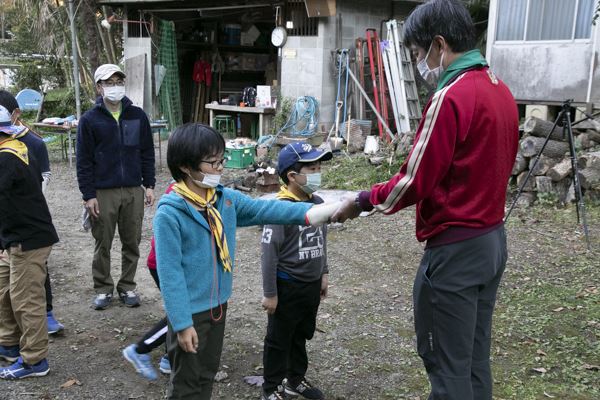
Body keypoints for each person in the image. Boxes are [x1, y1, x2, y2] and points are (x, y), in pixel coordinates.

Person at [332, 1, 519, 399]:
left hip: (456, 250)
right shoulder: (499, 89)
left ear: (439, 44)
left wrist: (362, 199)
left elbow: (415, 179)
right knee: (472, 356)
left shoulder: (451, 96)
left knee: (446, 364)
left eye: (418, 53)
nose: (419, 63)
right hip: (492, 240)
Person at [153, 124, 338, 399]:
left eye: (221, 160)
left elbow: (268, 208)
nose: (220, 168)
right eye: (212, 163)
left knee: (206, 374)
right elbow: (170, 274)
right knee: (186, 383)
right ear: (184, 166)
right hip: (191, 312)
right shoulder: (170, 214)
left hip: (218, 306)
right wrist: (181, 323)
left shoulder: (223, 201)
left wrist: (319, 212)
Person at [76, 63, 156, 310]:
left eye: (118, 82)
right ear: (99, 87)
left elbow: (146, 152)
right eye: (109, 83)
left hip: (133, 189)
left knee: (131, 241)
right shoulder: (89, 120)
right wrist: (89, 195)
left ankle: (128, 286)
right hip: (103, 191)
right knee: (103, 242)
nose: (115, 87)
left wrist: (149, 184)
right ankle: (103, 288)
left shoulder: (137, 115)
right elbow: (83, 161)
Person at [260, 142, 332, 400]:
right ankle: (271, 388)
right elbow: (269, 254)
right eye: (312, 168)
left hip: (311, 285)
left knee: (301, 334)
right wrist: (270, 293)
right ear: (292, 176)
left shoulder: (318, 203)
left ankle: (295, 380)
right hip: (287, 285)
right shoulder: (280, 209)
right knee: (279, 338)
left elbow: (321, 241)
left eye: (319, 166)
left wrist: (323, 272)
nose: (318, 172)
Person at [0, 105, 59, 379]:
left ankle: (35, 360)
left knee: (26, 299)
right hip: (12, 237)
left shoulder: (7, 157)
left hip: (28, 239)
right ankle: (8, 344)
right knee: (5, 292)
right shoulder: (13, 148)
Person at [122, 183, 175, 381]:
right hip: (165, 265)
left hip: (172, 264)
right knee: (183, 313)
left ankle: (171, 356)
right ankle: (140, 349)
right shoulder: (179, 193)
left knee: (182, 310)